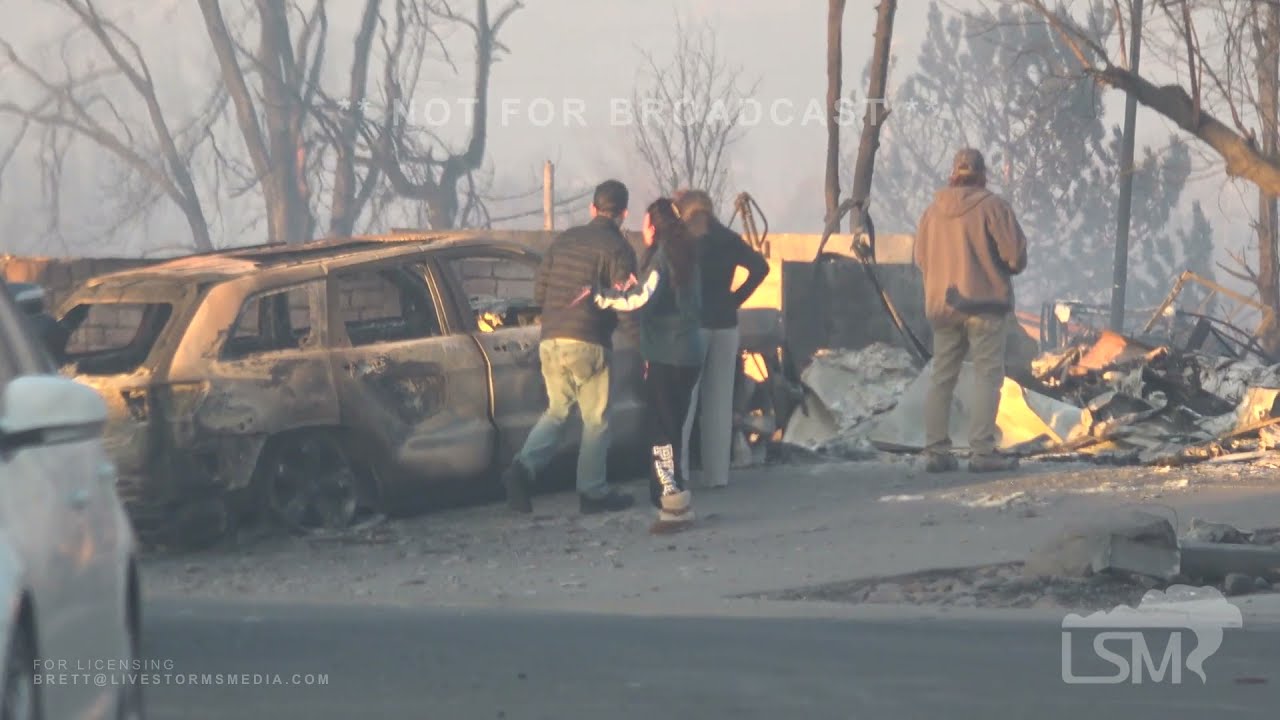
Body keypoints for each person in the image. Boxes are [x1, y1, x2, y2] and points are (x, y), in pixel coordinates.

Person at [500, 180, 638, 515]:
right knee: (596, 420)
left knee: (557, 412)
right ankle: (592, 491)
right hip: (589, 341)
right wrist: (639, 343)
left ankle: (521, 470)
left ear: (592, 208)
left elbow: (539, 293)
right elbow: (625, 302)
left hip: (551, 338)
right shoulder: (619, 249)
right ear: (623, 213)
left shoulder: (563, 240)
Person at [588, 198, 704, 531]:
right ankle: (675, 491)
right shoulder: (687, 256)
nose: (642, 229)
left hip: (666, 355)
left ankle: (670, 499)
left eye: (644, 223)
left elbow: (642, 298)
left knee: (661, 431)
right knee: (674, 426)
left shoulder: (661, 257)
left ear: (654, 226)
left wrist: (601, 296)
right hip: (690, 353)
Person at [913, 148, 1028, 473]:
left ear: (953, 174)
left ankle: (936, 451)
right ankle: (982, 451)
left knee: (942, 378)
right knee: (987, 377)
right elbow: (1015, 258)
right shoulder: (993, 207)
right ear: (982, 175)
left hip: (944, 306)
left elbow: (920, 259)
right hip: (985, 306)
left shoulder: (931, 213)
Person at [675, 190, 769, 489]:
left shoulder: (683, 240)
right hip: (726, 326)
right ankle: (717, 475)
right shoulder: (728, 238)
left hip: (695, 325)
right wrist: (734, 299)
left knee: (686, 401)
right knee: (719, 402)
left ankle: (679, 472)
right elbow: (761, 267)